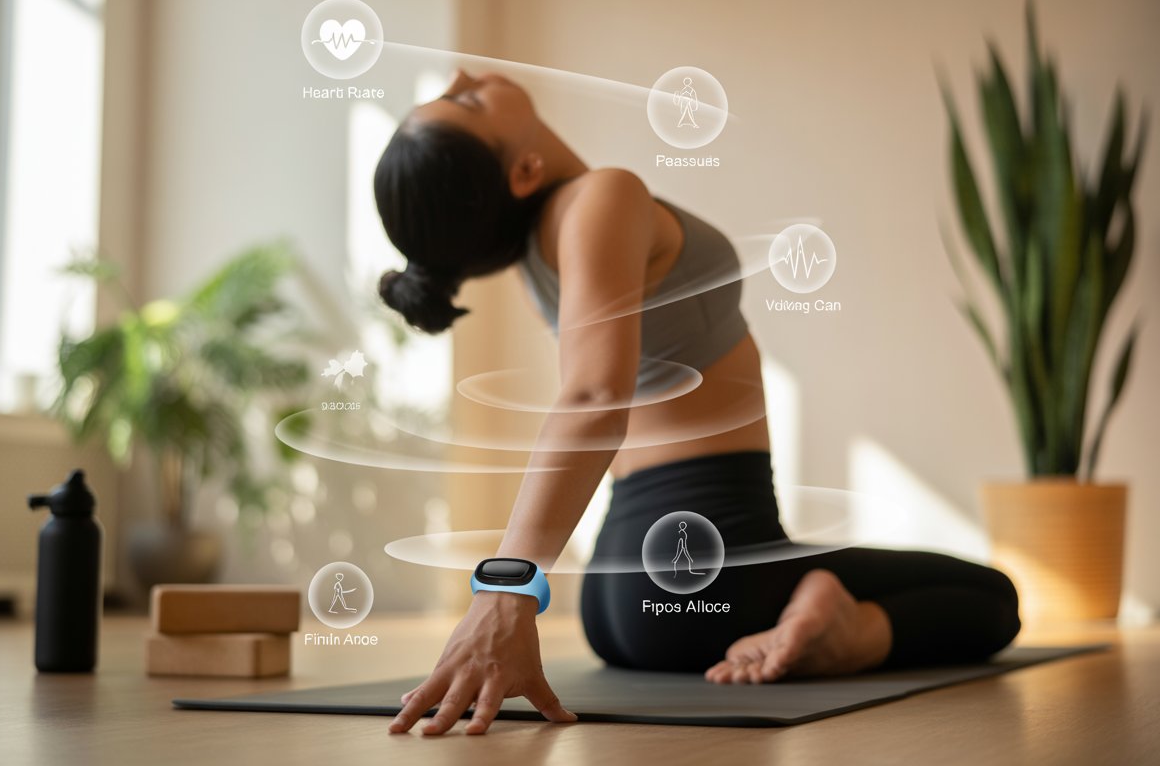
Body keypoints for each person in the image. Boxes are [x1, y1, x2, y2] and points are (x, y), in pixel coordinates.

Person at [372, 69, 1020, 736]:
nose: (463, 75)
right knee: (991, 599)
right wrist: (505, 590)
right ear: (526, 170)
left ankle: (815, 606)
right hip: (712, 567)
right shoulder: (603, 197)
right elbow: (593, 395)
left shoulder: (544, 243)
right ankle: (842, 630)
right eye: (465, 100)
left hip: (624, 595)